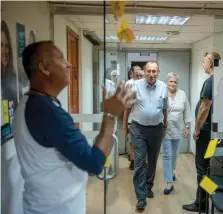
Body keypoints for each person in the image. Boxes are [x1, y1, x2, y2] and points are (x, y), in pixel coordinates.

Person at [12, 41, 136, 214]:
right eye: (61, 58)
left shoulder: (28, 103)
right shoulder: (48, 113)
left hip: (40, 204)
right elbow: (94, 163)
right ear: (44, 68)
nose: (69, 64)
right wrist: (110, 115)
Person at [182, 52, 221, 212]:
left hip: (205, 132)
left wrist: (197, 129)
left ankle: (202, 203)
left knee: (202, 169)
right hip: (215, 131)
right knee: (206, 167)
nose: (203, 64)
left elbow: (205, 108)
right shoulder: (221, 80)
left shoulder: (210, 82)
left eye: (204, 61)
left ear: (211, 62)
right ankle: (208, 199)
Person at [127, 60, 168, 211]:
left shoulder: (163, 87)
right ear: (144, 72)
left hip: (156, 129)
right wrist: (126, 126)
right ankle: (141, 197)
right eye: (149, 71)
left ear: (158, 72)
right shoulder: (135, 86)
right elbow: (127, 107)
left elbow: (164, 108)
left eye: (154, 71)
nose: (151, 74)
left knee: (152, 161)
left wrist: (165, 126)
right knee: (139, 163)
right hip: (138, 129)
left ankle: (148, 186)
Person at [162, 72, 192, 195]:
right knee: (167, 155)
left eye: (175, 82)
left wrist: (187, 126)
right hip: (165, 130)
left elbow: (187, 111)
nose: (173, 84)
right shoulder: (162, 93)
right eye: (171, 81)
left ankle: (172, 171)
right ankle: (169, 182)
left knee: (174, 154)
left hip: (178, 129)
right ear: (167, 82)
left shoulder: (182, 94)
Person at [122, 65, 144, 170]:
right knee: (131, 142)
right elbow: (125, 102)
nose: (139, 77)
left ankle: (141, 161)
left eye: (141, 76)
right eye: (137, 75)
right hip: (131, 118)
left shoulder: (146, 85)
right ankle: (133, 160)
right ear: (132, 74)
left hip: (143, 120)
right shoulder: (129, 84)